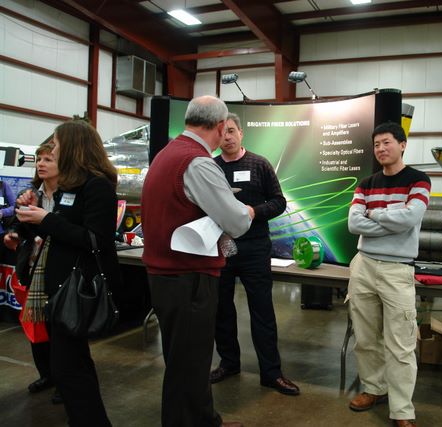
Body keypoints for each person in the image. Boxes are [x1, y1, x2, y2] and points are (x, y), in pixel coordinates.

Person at [142, 96, 253, 427]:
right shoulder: (198, 162)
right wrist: (246, 211)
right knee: (189, 364)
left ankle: (205, 420)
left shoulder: (168, 154)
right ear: (220, 126)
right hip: (188, 277)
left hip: (168, 275)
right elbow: (237, 223)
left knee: (187, 360)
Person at [13, 120, 121, 426]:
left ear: (73, 147)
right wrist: (30, 217)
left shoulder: (97, 186)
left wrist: (46, 219)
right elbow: (55, 233)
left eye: (57, 145)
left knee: (69, 368)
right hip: (58, 288)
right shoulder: (69, 187)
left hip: (77, 289)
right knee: (72, 366)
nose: (53, 150)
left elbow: (96, 240)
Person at [346, 122, 430, 427]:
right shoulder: (366, 183)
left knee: (401, 344)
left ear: (402, 144)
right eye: (376, 144)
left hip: (398, 269)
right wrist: (391, 220)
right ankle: (374, 388)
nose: (381, 148)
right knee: (366, 337)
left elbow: (410, 218)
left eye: (386, 142)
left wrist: (374, 213)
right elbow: (354, 224)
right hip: (364, 265)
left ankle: (402, 410)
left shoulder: (418, 180)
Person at [209, 113, 298, 395]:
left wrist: (253, 212)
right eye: (222, 132)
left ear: (241, 133)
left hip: (255, 248)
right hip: (221, 247)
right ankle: (229, 363)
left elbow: (279, 202)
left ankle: (271, 373)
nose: (227, 137)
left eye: (231, 131)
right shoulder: (211, 167)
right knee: (221, 309)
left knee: (262, 311)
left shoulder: (259, 164)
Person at [4, 143, 62, 404]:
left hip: (58, 273)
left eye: (48, 159)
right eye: (39, 159)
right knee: (36, 327)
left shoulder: (67, 196)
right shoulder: (29, 194)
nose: (41, 164)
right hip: (32, 270)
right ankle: (46, 375)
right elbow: (17, 223)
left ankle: (63, 381)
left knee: (59, 332)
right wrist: (14, 233)